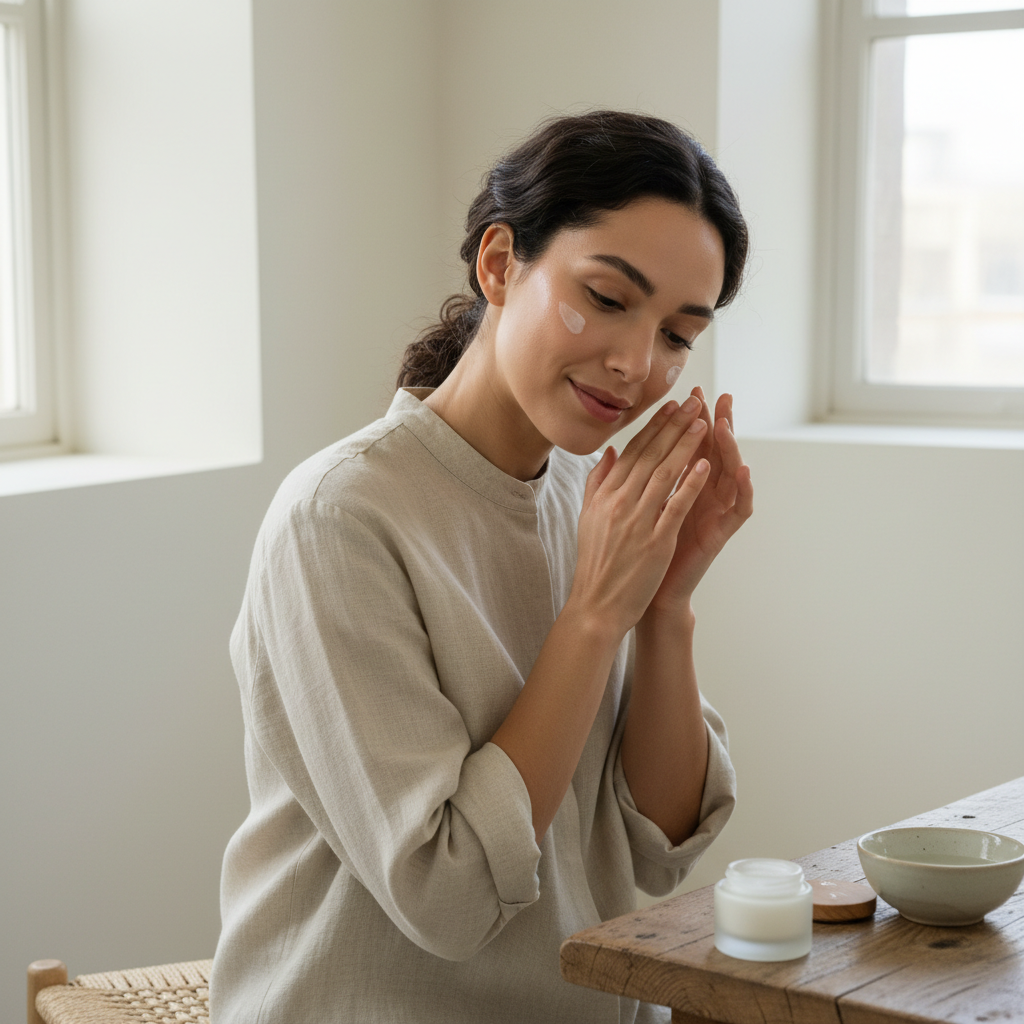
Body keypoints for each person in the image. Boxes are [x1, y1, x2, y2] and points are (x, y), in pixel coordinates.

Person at [211, 109, 752, 1024]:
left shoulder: (595, 498)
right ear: (500, 264)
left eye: (677, 335)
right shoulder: (339, 518)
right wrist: (592, 615)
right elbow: (449, 896)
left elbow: (654, 846)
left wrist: (664, 601)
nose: (636, 365)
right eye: (611, 298)